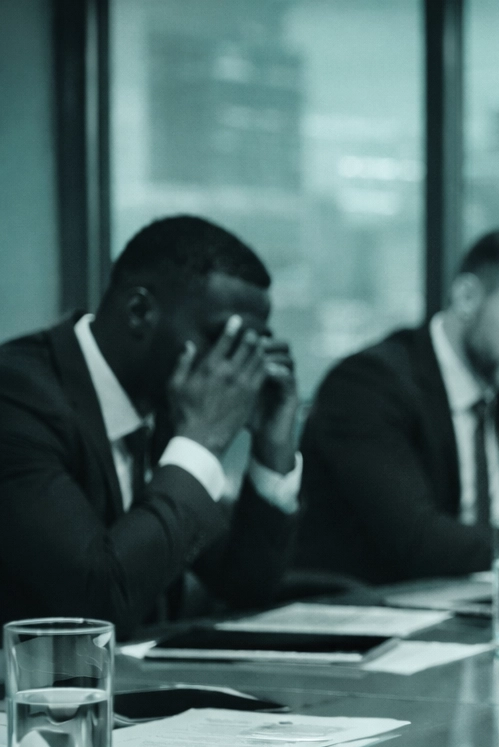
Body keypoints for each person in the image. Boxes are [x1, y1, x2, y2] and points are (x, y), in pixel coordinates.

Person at [0, 215, 302, 639]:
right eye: (225, 339)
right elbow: (95, 606)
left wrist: (273, 452)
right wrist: (201, 441)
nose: (240, 369)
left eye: (254, 345)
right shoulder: (17, 398)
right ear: (140, 312)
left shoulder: (163, 404)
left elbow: (245, 586)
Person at [296, 228, 499, 584]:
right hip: (373, 614)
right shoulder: (368, 385)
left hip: (483, 608)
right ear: (466, 297)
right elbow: (417, 540)